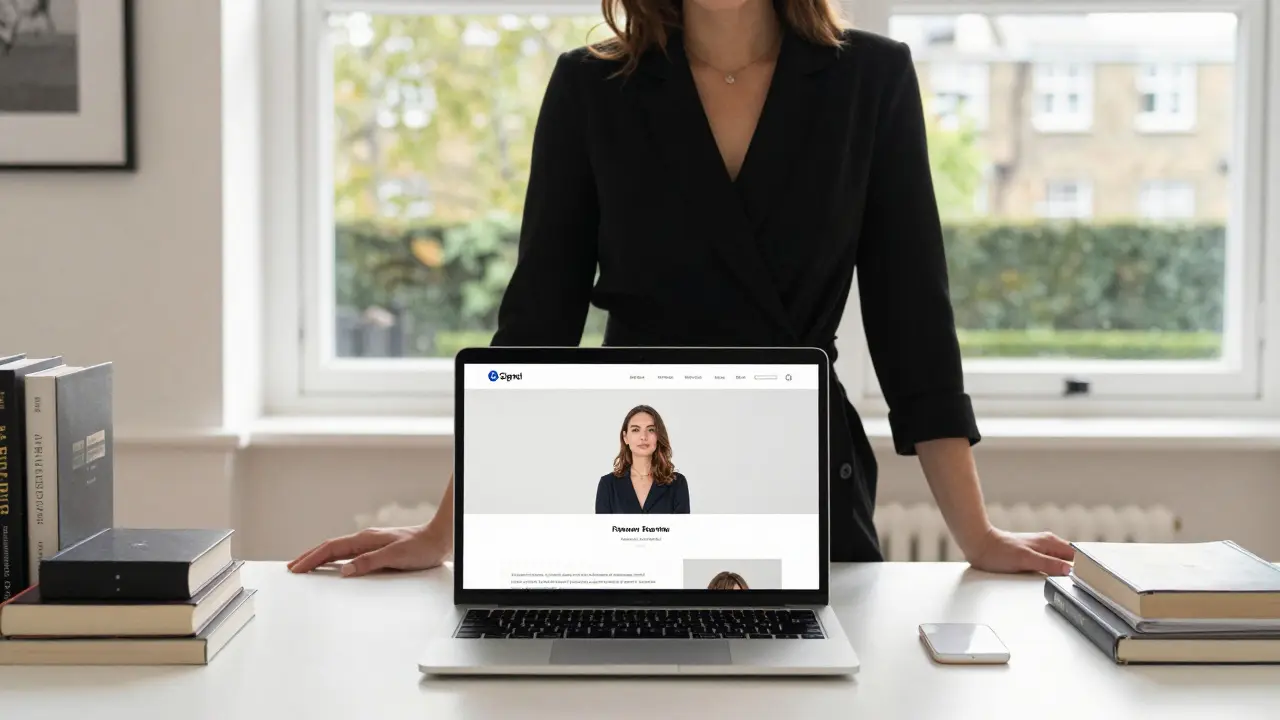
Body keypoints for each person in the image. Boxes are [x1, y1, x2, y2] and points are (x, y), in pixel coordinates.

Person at [289, 0, 1076, 579]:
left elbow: (914, 324)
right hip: (638, 477)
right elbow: (535, 330)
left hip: (801, 470)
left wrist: (975, 535)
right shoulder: (589, 86)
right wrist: (443, 531)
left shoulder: (872, 78)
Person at [595, 405, 691, 514]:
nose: (643, 437)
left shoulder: (677, 483)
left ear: (658, 436)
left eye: (651, 430)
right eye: (636, 430)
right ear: (625, 437)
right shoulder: (608, 485)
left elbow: (680, 530)